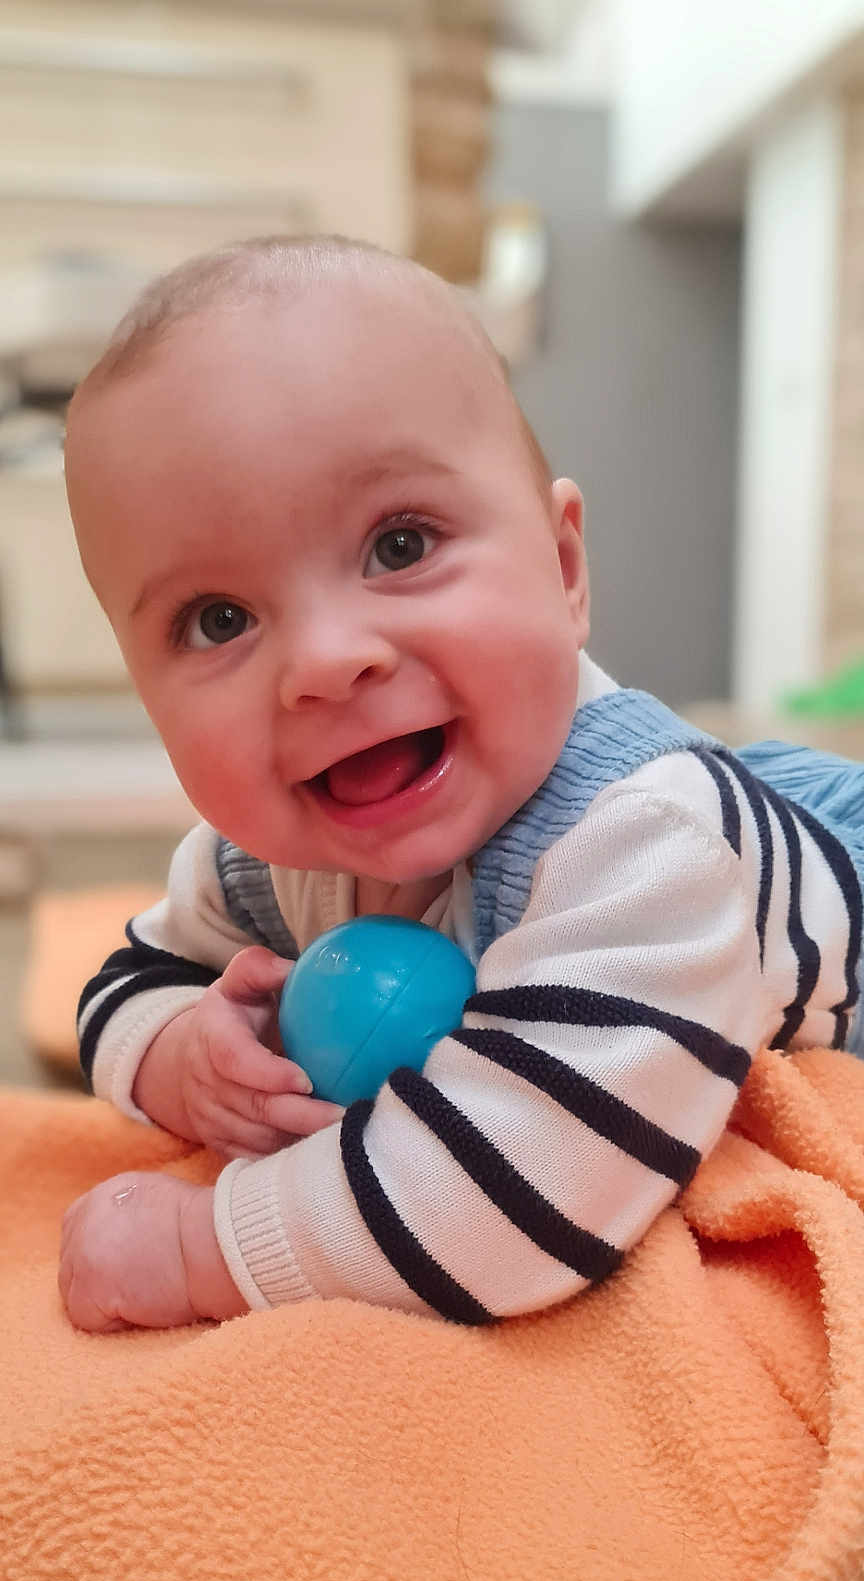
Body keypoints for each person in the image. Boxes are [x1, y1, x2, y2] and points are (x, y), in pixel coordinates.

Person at [59, 234, 864, 1334]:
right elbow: (131, 970)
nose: (329, 659)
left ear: (565, 570)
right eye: (219, 619)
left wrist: (204, 1247)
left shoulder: (647, 847)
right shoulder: (268, 851)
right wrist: (172, 1053)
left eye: (399, 544)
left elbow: (517, 1194)